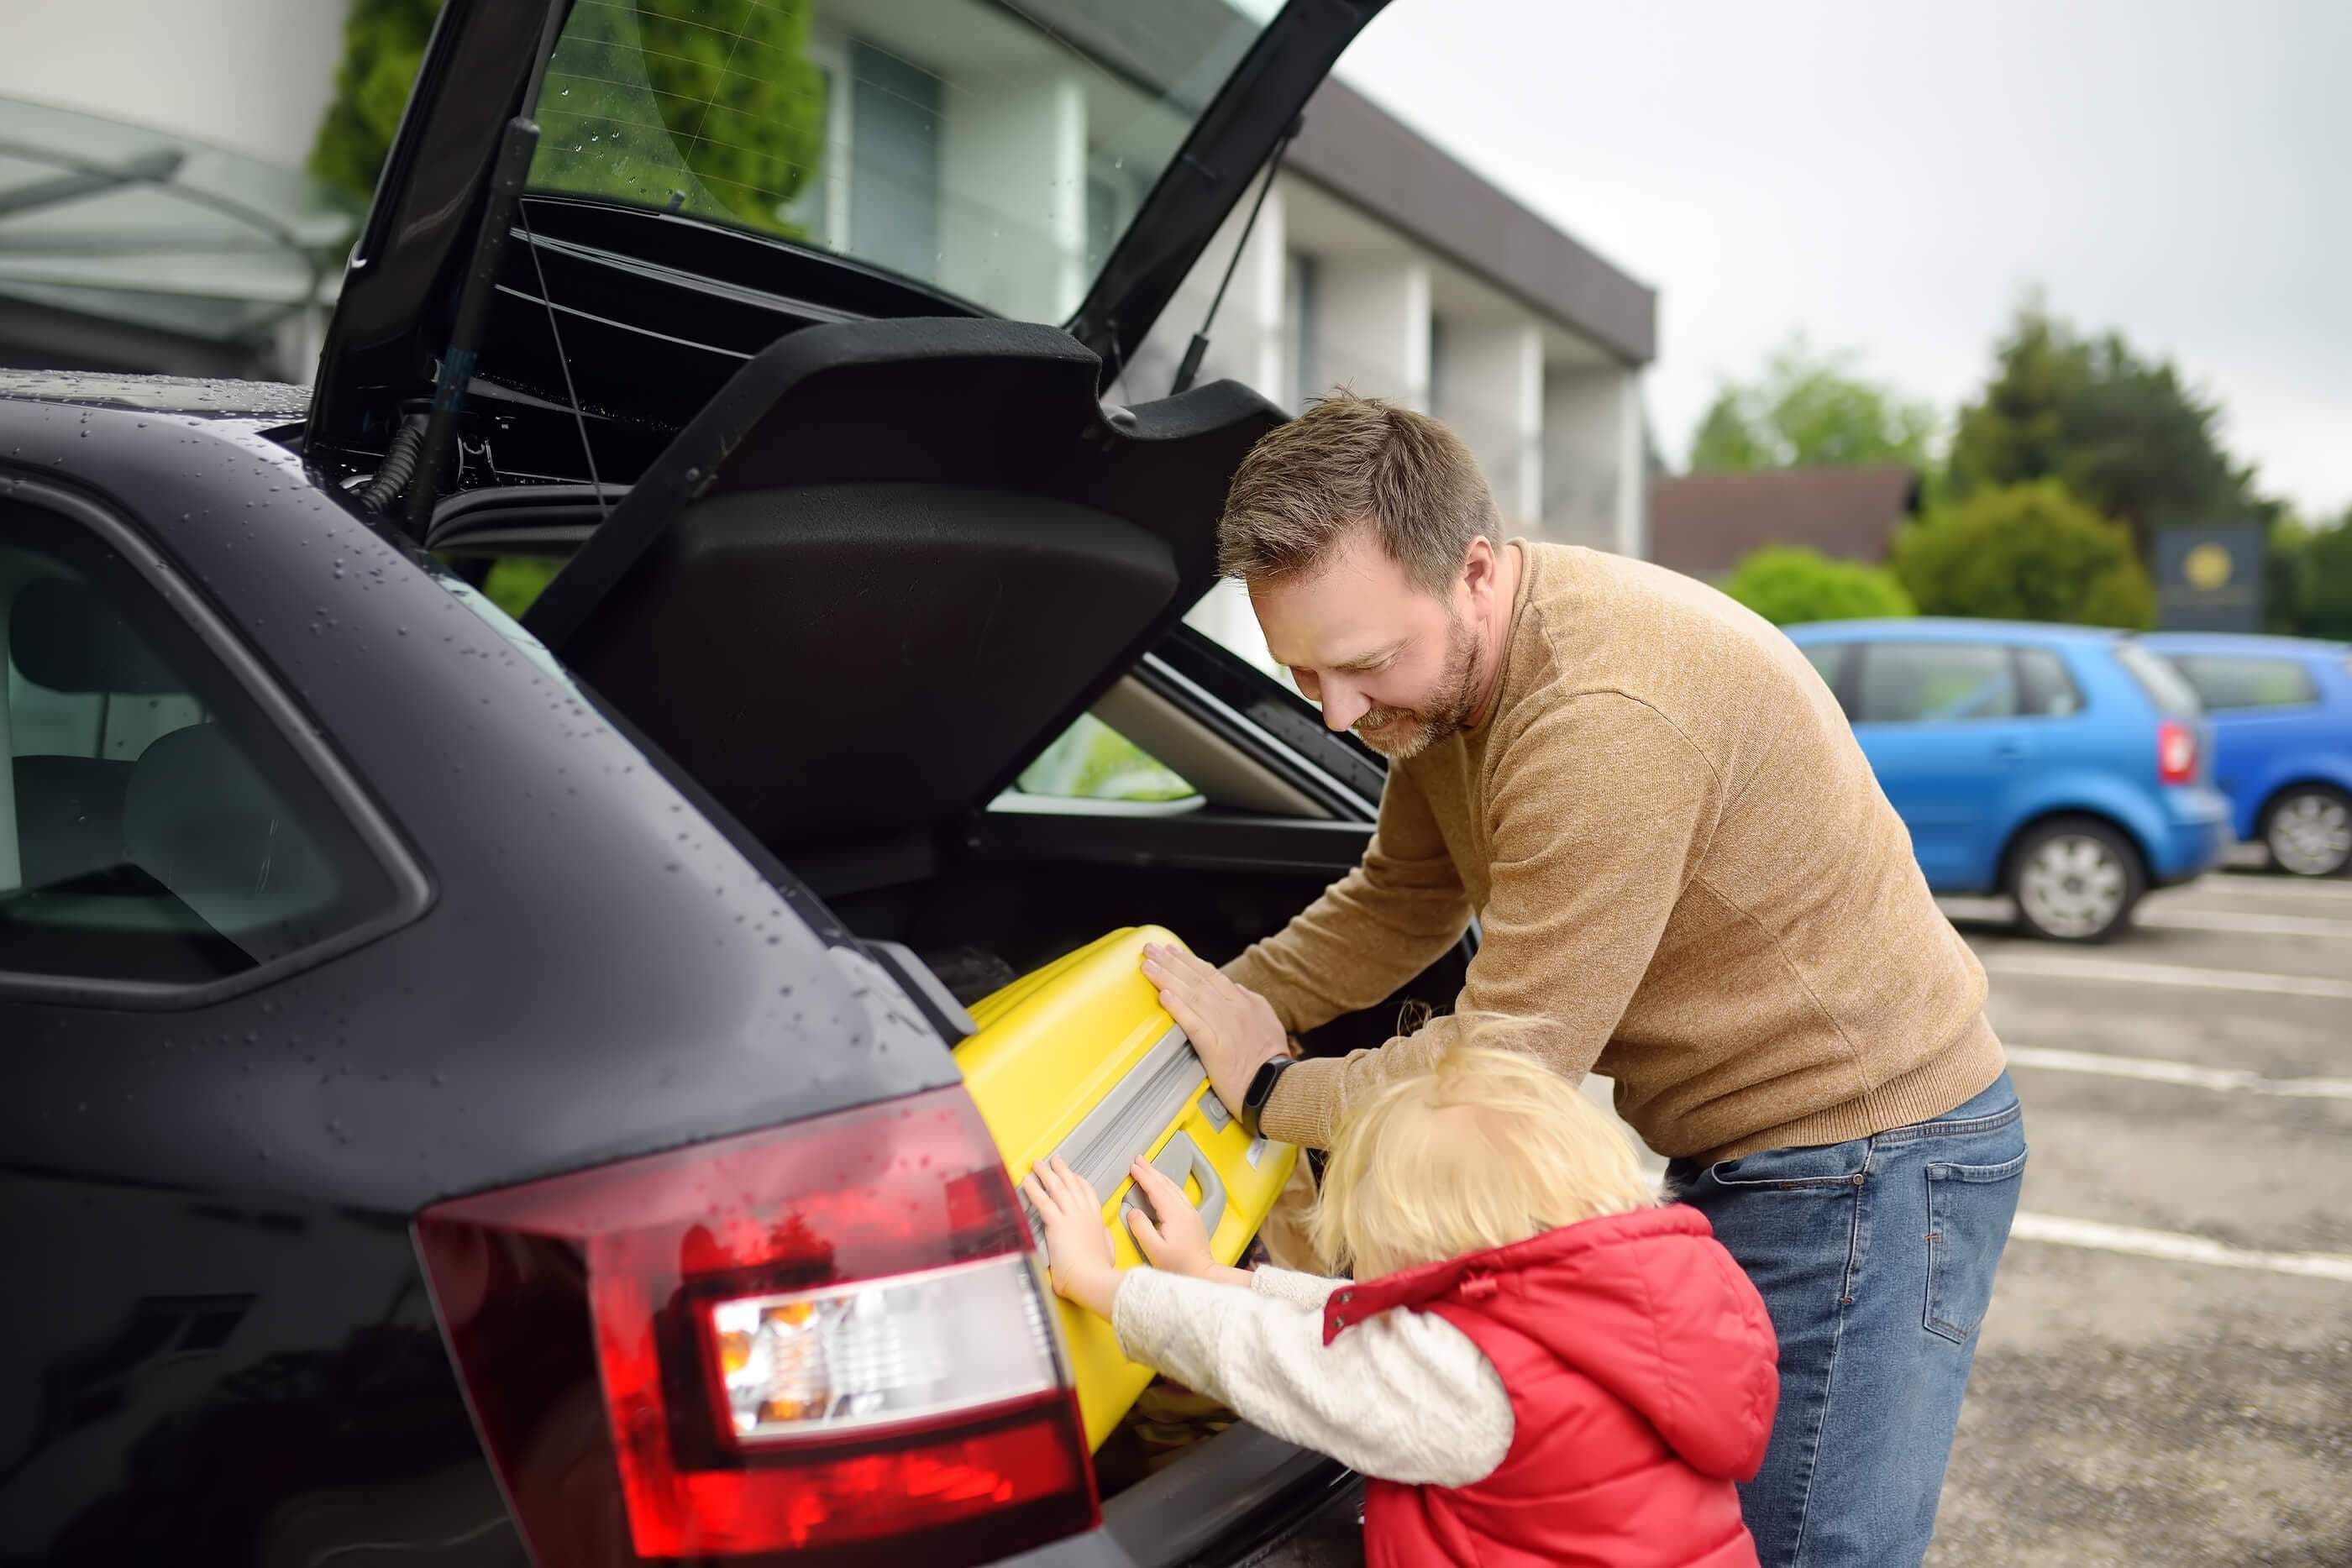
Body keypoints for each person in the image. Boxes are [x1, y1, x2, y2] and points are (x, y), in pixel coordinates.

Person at [1138, 391, 2027, 1568]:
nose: (1342, 712)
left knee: (1804, 1548)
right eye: (1305, 676)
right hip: (1769, 1147)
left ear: (1472, 569)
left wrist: (1264, 1088)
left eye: (1362, 664)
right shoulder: (1450, 685)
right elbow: (1401, 896)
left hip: (1867, 1155)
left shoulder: (1601, 721)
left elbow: (1507, 1064)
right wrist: (1209, 1004)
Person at [1023, 1037, 1777, 1568]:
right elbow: (1372, 1318)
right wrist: (1210, 1275)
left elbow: (1275, 1360)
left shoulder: (1479, 1383)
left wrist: (1100, 1282)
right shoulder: (1622, 1302)